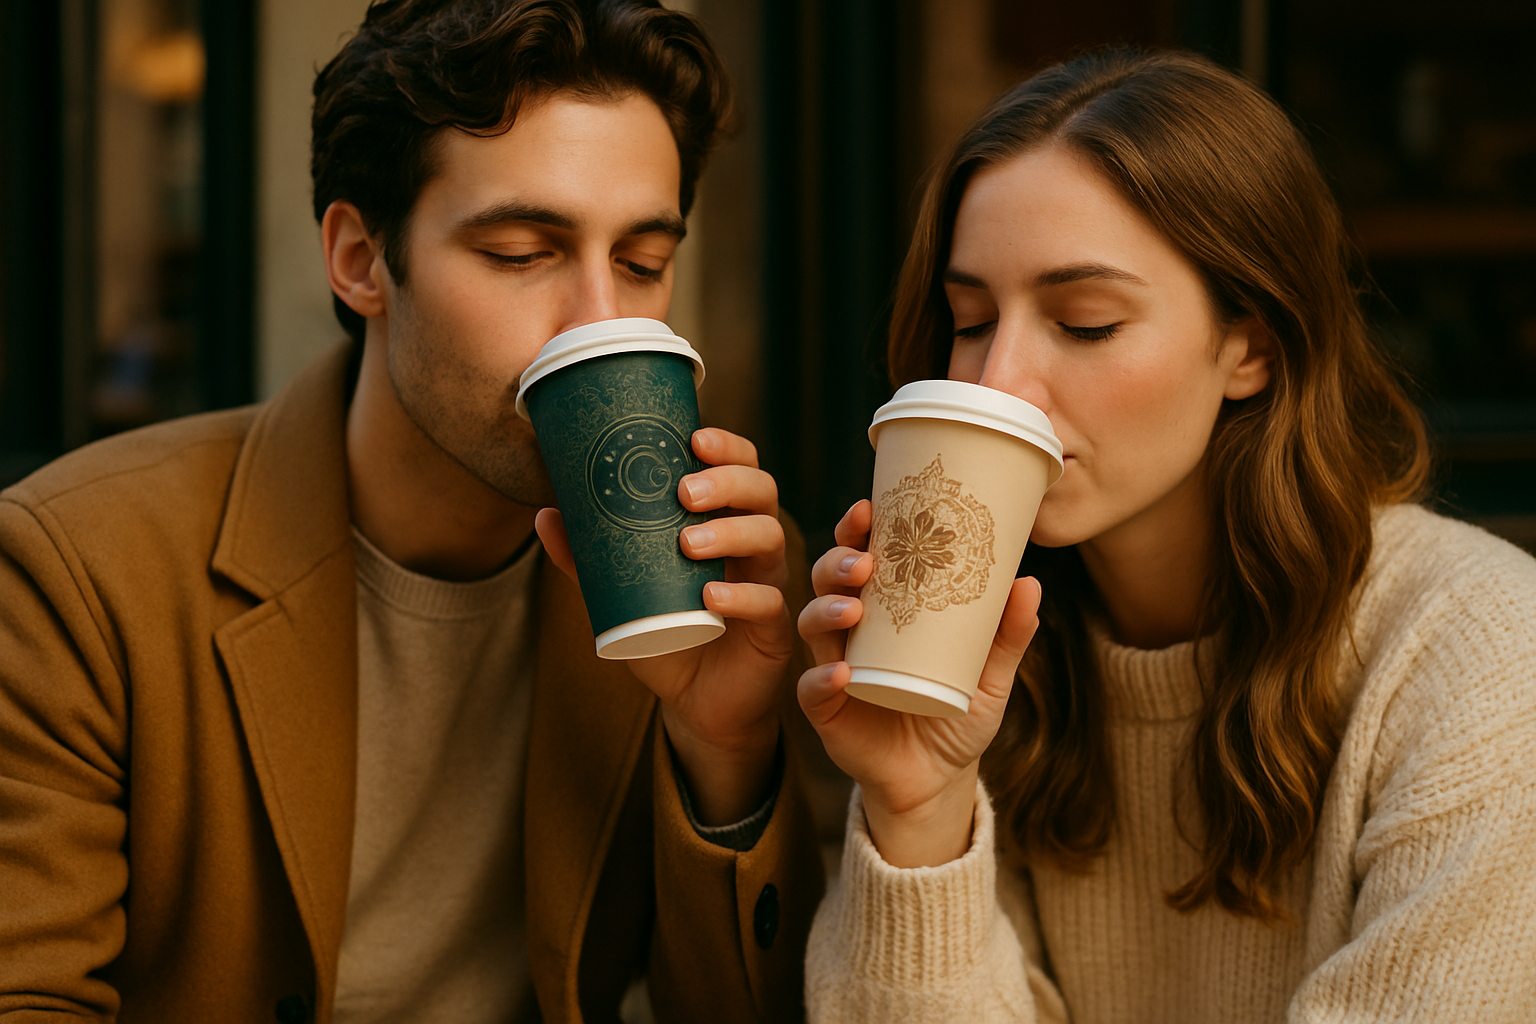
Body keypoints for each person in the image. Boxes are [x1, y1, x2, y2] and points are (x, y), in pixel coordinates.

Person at [0, 2, 823, 1021]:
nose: (599, 321)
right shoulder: (80, 574)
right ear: (359, 259)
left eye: (644, 264)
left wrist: (726, 751)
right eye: (523, 251)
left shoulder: (705, 584)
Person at [796, 47, 1536, 1022]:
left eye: (1087, 322)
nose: (996, 379)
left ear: (1251, 344)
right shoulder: (978, 661)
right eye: (970, 319)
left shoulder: (1478, 653)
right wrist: (917, 807)